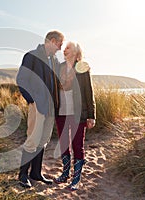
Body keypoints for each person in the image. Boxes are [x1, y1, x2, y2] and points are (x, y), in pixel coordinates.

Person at [16, 30, 64, 188]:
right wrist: (32, 101)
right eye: (59, 44)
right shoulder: (31, 56)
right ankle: (22, 175)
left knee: (43, 141)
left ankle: (35, 173)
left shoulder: (55, 60)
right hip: (38, 106)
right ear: (51, 41)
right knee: (33, 140)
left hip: (51, 108)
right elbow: (21, 79)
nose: (60, 48)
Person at [54, 41, 96, 191]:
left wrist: (92, 115)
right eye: (64, 48)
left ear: (76, 52)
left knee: (77, 145)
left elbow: (88, 93)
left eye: (68, 48)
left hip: (78, 113)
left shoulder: (83, 68)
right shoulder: (58, 67)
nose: (64, 50)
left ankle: (76, 179)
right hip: (61, 112)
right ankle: (65, 174)